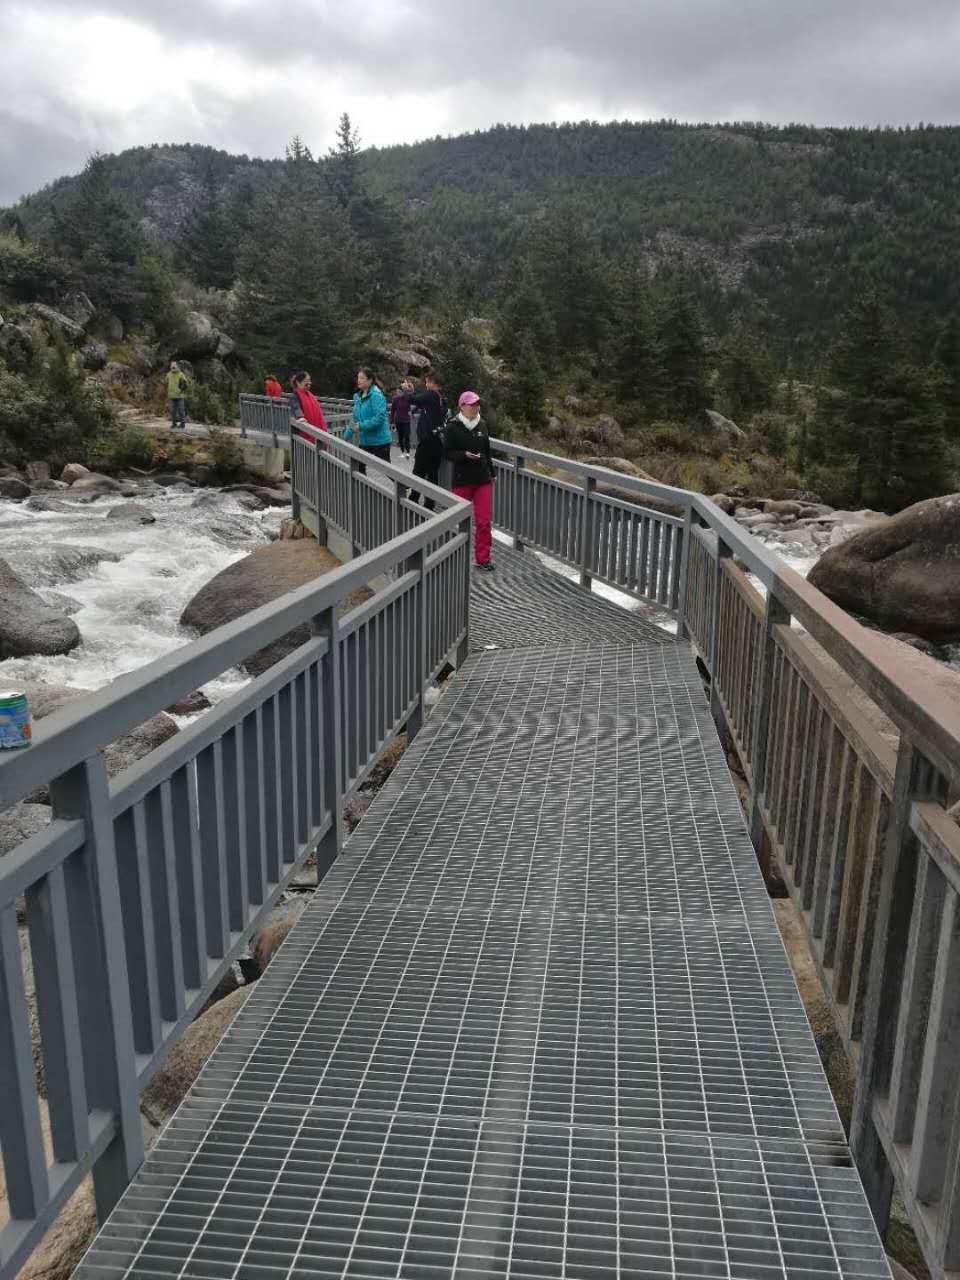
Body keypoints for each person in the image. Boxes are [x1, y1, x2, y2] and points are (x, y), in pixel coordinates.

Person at [445, 390, 495, 571]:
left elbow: (487, 451)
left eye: (477, 404)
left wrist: (492, 472)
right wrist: (464, 455)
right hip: (462, 480)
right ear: (462, 406)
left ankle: (483, 559)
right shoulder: (452, 426)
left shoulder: (482, 424)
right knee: (457, 520)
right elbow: (447, 453)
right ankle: (451, 556)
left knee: (484, 522)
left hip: (483, 479)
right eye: (471, 404)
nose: (475, 407)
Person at [409, 370, 448, 507]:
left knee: (418, 470)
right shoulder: (441, 398)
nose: (426, 385)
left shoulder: (431, 394)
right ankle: (429, 504)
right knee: (432, 474)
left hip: (427, 441)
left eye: (427, 382)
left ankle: (413, 499)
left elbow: (414, 400)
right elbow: (421, 404)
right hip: (437, 441)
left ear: (432, 382)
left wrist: (408, 391)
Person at [345, 368, 391, 464]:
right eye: (358, 378)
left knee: (389, 472)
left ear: (370, 380)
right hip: (365, 441)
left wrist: (361, 426)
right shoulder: (357, 397)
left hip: (380, 441)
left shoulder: (376, 395)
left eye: (362, 378)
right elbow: (355, 418)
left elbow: (379, 418)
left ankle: (399, 480)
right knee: (358, 467)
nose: (359, 380)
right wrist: (346, 435)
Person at [288, 371, 329, 444]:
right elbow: (296, 407)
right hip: (305, 436)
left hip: (316, 432)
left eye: (309, 381)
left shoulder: (311, 396)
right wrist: (300, 417)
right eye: (306, 381)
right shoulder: (295, 396)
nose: (309, 383)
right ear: (298, 382)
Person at [390, 378, 413, 458]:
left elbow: (412, 395)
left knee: (406, 436)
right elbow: (392, 410)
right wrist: (392, 421)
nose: (398, 392)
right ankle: (402, 452)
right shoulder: (395, 399)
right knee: (400, 437)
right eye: (398, 391)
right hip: (398, 420)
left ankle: (408, 453)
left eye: (400, 391)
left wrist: (408, 387)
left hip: (406, 420)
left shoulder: (407, 397)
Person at [166, 361, 189, 430]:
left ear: (177, 366)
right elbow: (166, 382)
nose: (173, 368)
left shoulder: (181, 374)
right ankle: (174, 424)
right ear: (170, 367)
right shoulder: (168, 374)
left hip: (180, 396)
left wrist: (181, 389)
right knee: (172, 411)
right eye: (172, 366)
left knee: (181, 411)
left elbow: (185, 384)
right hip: (171, 396)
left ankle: (182, 424)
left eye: (174, 366)